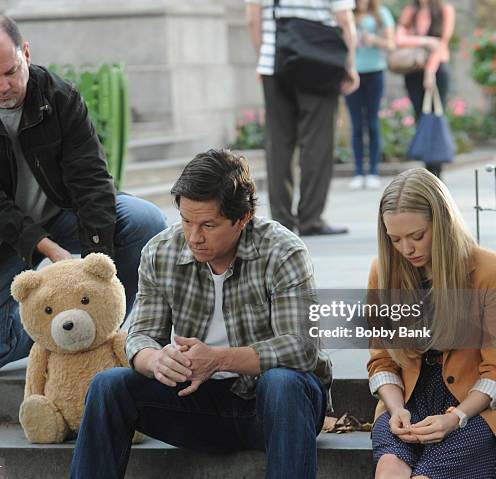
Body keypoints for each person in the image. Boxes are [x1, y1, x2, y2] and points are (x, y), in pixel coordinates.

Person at [70, 149, 332, 479]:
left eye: (209, 224)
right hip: (197, 401)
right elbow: (138, 336)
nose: (194, 237)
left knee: (282, 382)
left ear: (242, 219)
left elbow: (302, 347)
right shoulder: (160, 251)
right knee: (109, 385)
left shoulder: (283, 251)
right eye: (186, 221)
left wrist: (218, 359)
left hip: (277, 407)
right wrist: (156, 360)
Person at [0, 16, 167, 377]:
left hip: (62, 213)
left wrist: (96, 264)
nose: (3, 86)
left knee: (146, 220)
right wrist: (50, 251)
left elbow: (91, 181)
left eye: (12, 71)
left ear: (26, 53)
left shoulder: (60, 96)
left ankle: (112, 322)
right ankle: (59, 324)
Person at [367, 168, 496, 478]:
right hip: (408, 398)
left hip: (474, 405)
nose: (406, 249)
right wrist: (396, 408)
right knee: (388, 469)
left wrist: (455, 418)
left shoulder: (490, 271)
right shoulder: (383, 271)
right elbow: (381, 361)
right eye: (395, 239)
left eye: (417, 236)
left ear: (442, 223)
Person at [246, 0, 359, 236]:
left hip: (276, 61)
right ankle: (311, 218)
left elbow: (252, 19)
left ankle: (282, 219)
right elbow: (345, 20)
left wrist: (264, 58)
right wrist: (349, 65)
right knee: (318, 141)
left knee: (279, 142)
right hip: (320, 60)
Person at [396, 0, 455, 178]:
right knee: (420, 118)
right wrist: (427, 41)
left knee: (435, 116)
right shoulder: (411, 10)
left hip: (438, 70)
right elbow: (399, 39)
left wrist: (430, 71)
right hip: (413, 71)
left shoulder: (445, 9)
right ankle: (428, 170)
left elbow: (442, 43)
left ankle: (437, 172)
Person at [345, 0, 395, 190]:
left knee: (372, 122)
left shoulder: (381, 13)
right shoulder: (347, 13)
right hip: (353, 74)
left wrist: (374, 40)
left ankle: (373, 171)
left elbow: (391, 44)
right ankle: (359, 172)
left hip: (375, 73)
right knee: (357, 124)